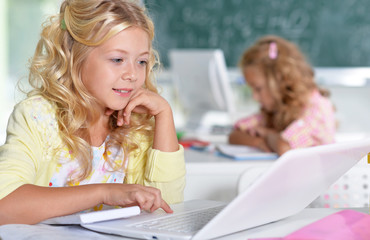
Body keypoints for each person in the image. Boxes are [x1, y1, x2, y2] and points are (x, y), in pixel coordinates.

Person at [0, 0, 185, 224]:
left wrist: (164, 115)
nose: (133, 75)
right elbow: (5, 207)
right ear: (76, 58)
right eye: (118, 60)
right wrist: (105, 192)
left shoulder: (136, 124)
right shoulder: (37, 116)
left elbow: (167, 210)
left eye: (142, 61)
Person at [229, 35, 336, 156]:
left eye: (258, 89)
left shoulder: (317, 107)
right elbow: (235, 134)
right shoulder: (276, 109)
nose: (255, 97)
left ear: (280, 81)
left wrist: (267, 134)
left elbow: (284, 147)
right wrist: (258, 142)